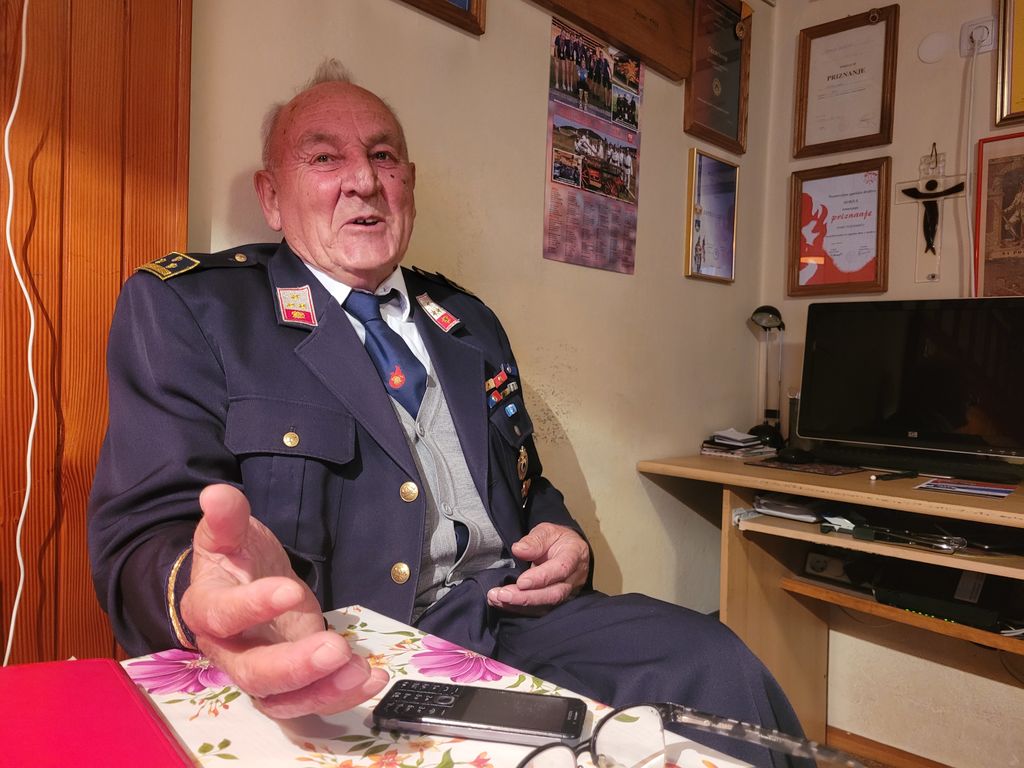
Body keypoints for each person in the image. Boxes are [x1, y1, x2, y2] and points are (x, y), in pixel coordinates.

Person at [88, 60, 806, 766]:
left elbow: (523, 482)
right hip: (349, 644)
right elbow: (144, 536)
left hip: (511, 614)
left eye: (383, 157)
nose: (363, 180)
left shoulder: (468, 320)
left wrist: (562, 535)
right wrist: (200, 588)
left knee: (718, 666)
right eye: (325, 158)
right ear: (271, 197)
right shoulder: (196, 309)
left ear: (408, 184)